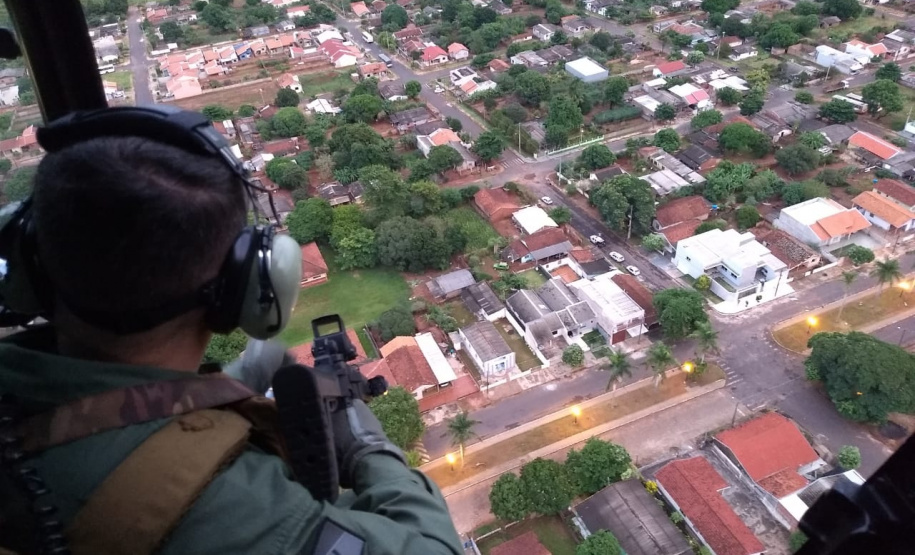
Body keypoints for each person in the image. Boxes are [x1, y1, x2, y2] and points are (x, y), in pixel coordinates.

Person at [0, 134, 462, 554]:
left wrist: (232, 385)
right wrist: (370, 452)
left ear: (26, 263)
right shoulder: (228, 505)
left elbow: (102, 417)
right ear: (245, 293)